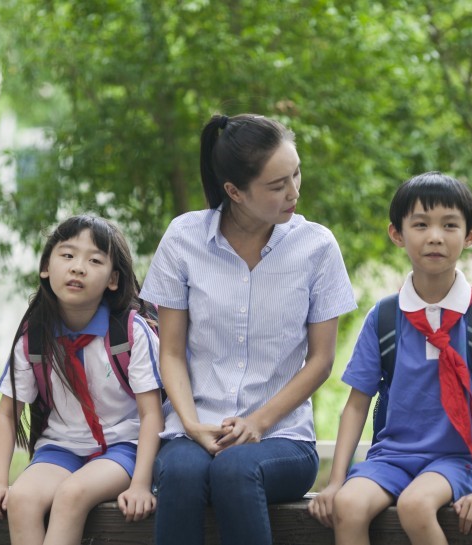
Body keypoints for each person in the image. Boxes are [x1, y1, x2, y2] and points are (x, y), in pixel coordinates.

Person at [139, 113, 357, 545]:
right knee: (182, 472)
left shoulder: (317, 247)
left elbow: (321, 360)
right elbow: (172, 352)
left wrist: (258, 422)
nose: (294, 192)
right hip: (193, 427)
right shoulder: (183, 239)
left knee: (236, 470)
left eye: (295, 174)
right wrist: (190, 424)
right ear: (234, 192)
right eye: (277, 186)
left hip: (282, 438)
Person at [308, 172, 472, 544]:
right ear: (397, 234)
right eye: (421, 224)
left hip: (462, 459)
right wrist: (334, 482)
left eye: (449, 225)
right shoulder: (384, 317)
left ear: (470, 234)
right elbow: (356, 405)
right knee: (346, 505)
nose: (435, 236)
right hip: (392, 457)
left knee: (415, 505)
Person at [0, 215, 163, 545]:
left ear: (113, 279)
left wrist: (141, 484)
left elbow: (151, 414)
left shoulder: (129, 333)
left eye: (94, 260)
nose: (78, 268)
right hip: (61, 447)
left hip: (123, 448)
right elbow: (6, 414)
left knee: (71, 495)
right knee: (21, 499)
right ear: (46, 267)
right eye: (68, 255)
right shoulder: (35, 336)